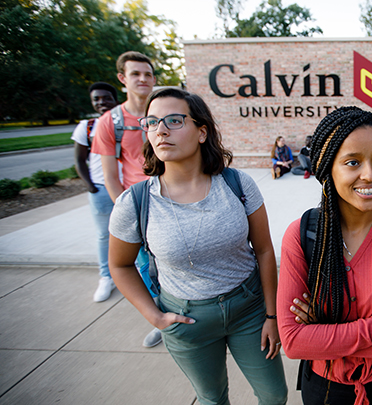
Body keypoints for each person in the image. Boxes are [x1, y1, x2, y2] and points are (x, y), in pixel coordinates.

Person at [108, 88, 288, 405]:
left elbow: (264, 250)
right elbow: (120, 265)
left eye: (174, 120)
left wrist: (272, 316)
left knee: (274, 396)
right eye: (151, 122)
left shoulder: (237, 184)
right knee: (212, 398)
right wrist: (154, 316)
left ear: (201, 131)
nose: (161, 130)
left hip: (249, 309)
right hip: (186, 319)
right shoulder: (134, 203)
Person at [278, 106, 372, 405]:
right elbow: (295, 343)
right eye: (352, 162)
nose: (370, 174)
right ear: (327, 168)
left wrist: (324, 339)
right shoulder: (302, 235)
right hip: (326, 389)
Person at [91, 51, 161, 347]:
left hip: (173, 199)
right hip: (140, 207)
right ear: (123, 79)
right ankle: (160, 318)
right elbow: (110, 176)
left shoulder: (165, 111)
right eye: (135, 74)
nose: (142, 79)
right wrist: (129, 215)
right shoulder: (111, 122)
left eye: (147, 74)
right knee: (146, 268)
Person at [71, 82, 121, 302]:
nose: (101, 102)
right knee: (104, 235)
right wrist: (90, 186)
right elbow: (79, 160)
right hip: (100, 189)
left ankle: (139, 273)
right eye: (97, 99)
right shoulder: (88, 126)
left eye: (106, 98)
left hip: (128, 187)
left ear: (115, 99)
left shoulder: (126, 122)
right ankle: (106, 277)